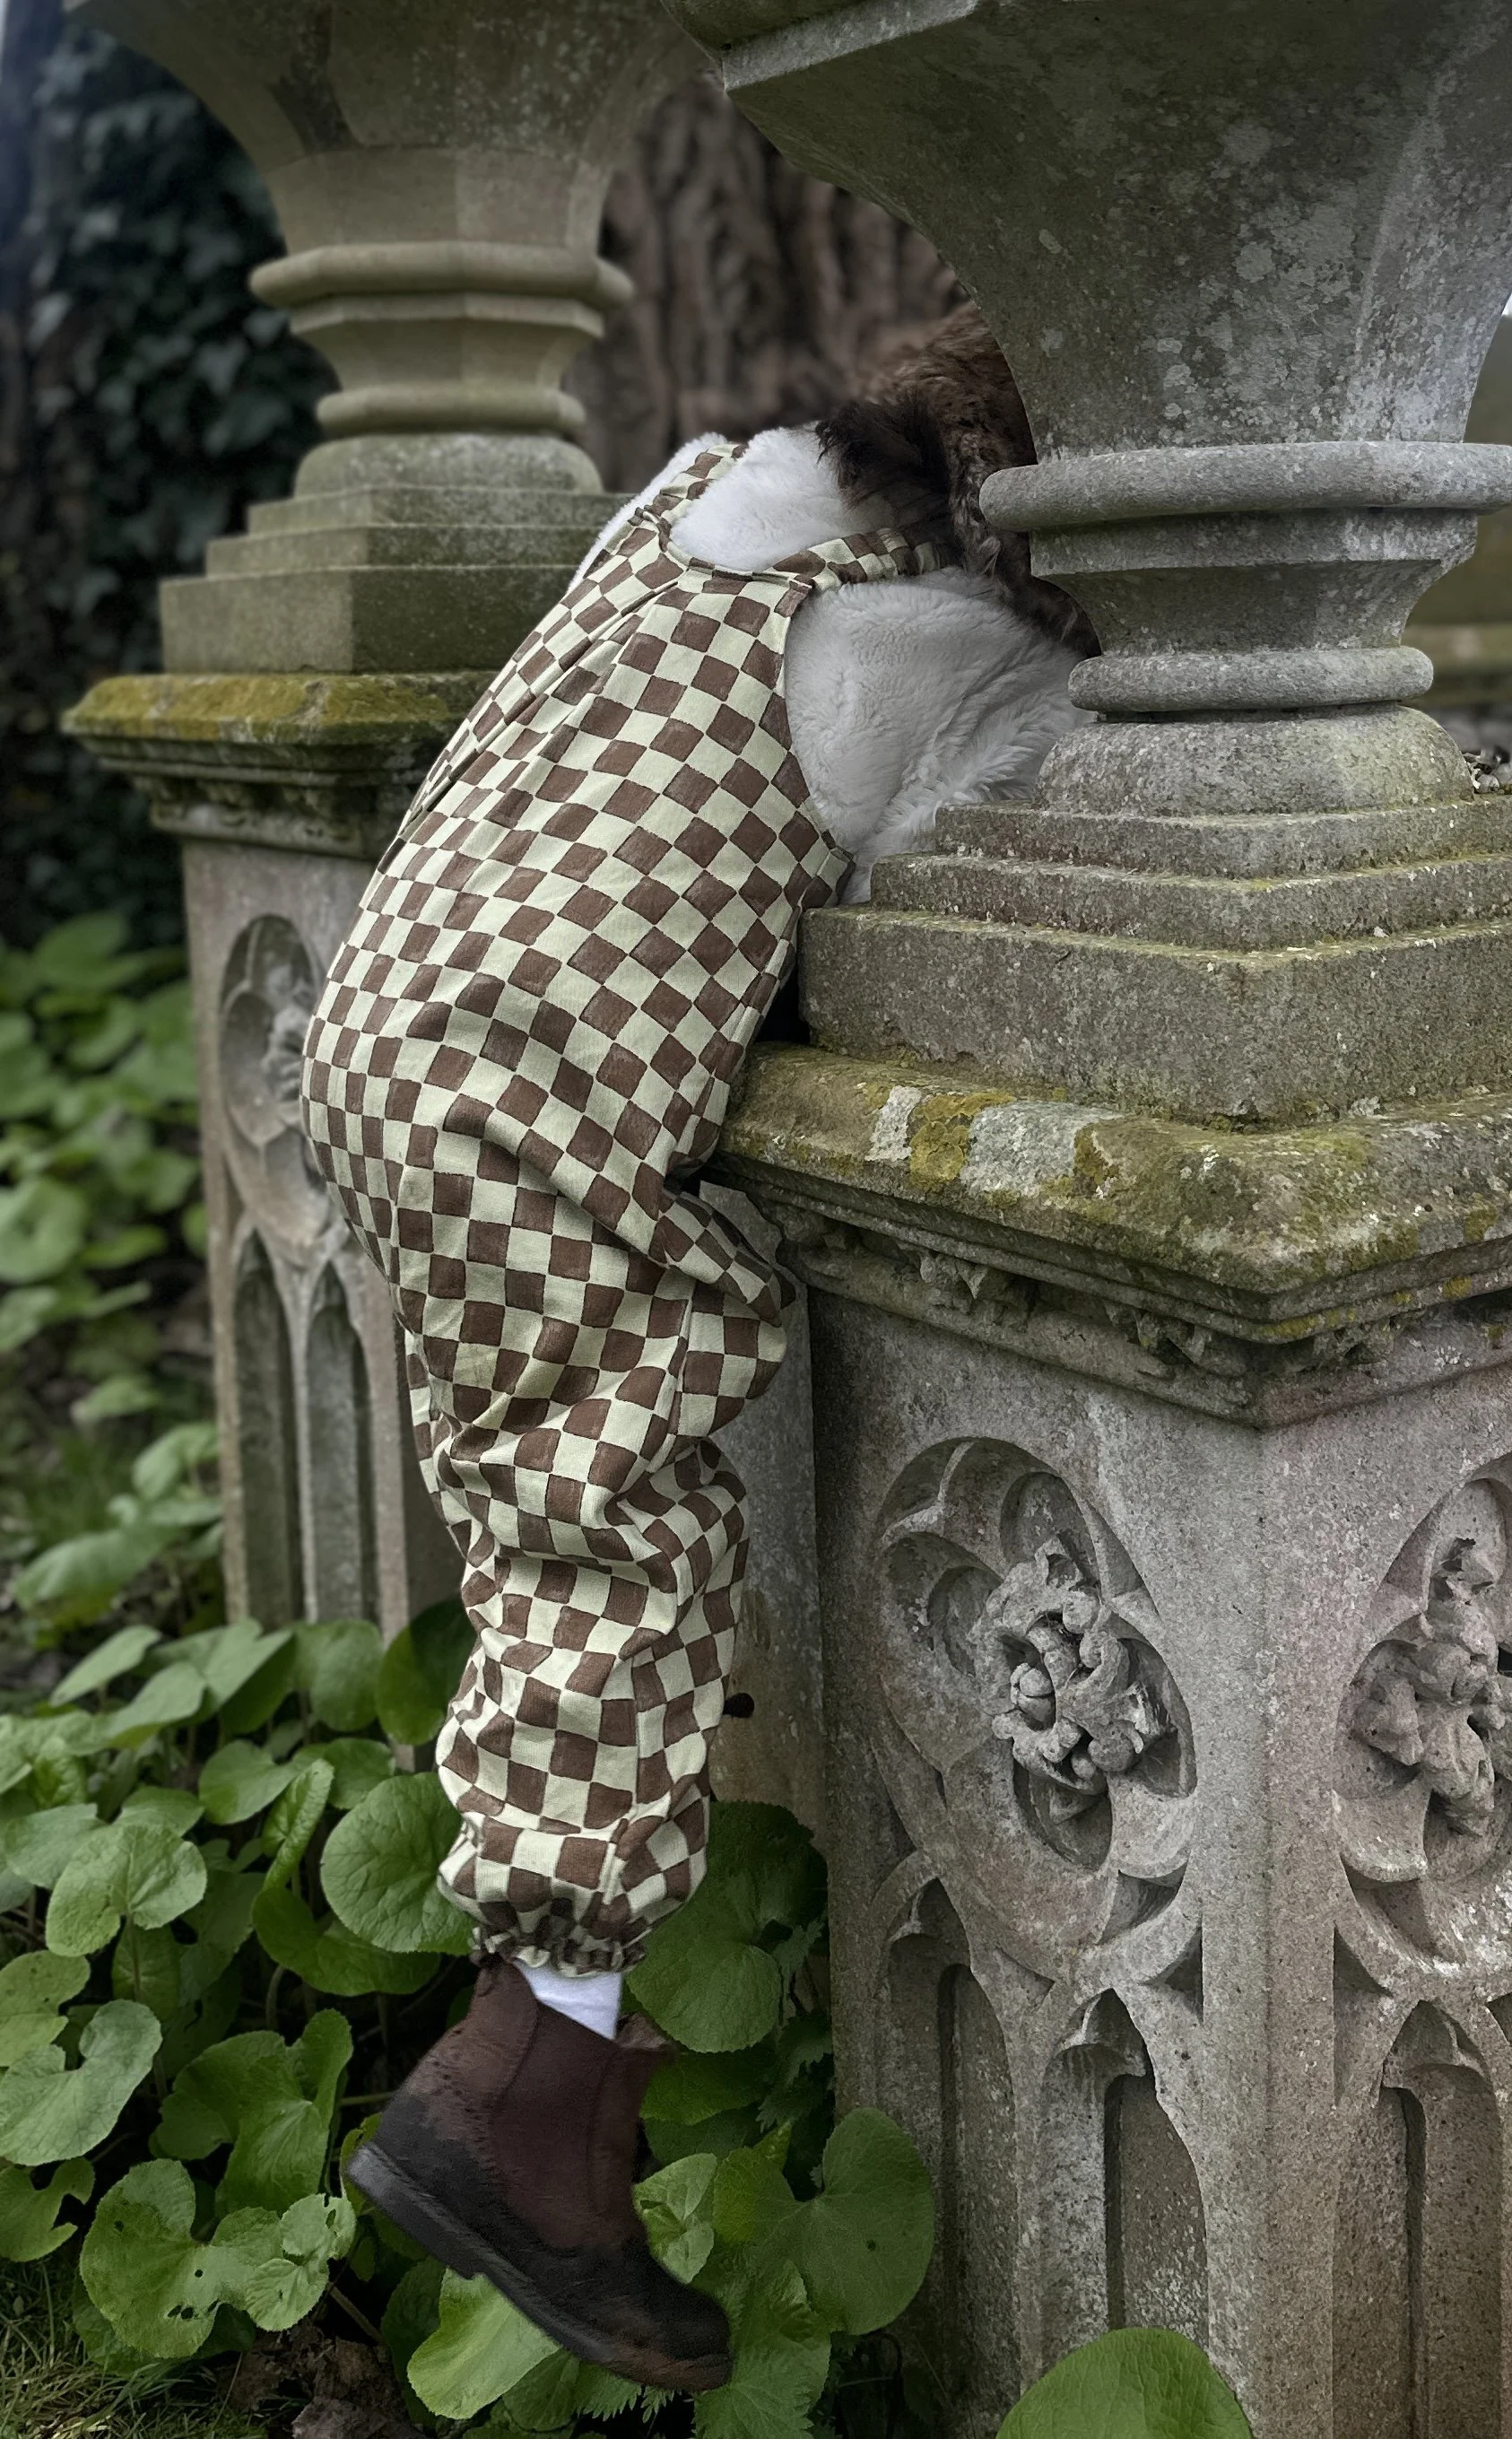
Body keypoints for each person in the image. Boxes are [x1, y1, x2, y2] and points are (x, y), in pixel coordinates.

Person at [300, 306, 1091, 2392]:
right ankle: (523, 2084)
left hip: (389, 1035)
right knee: (613, 1533)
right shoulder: (930, 649)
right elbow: (1023, 865)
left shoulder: (695, 503)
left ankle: (544, 2080)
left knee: (534, 1489)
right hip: (519, 1101)